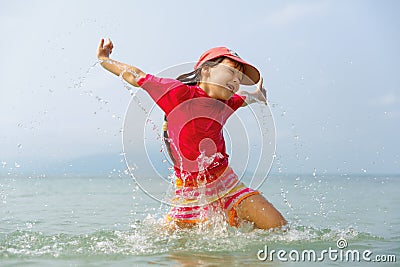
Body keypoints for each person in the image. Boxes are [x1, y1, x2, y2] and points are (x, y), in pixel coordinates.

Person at [97, 38, 287, 230]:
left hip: (228, 184)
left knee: (279, 228)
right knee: (185, 252)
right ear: (206, 70)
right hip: (189, 195)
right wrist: (105, 60)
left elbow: (245, 98)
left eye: (239, 77)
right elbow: (136, 76)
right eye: (231, 71)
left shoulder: (226, 104)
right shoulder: (178, 94)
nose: (237, 81)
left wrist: (257, 96)